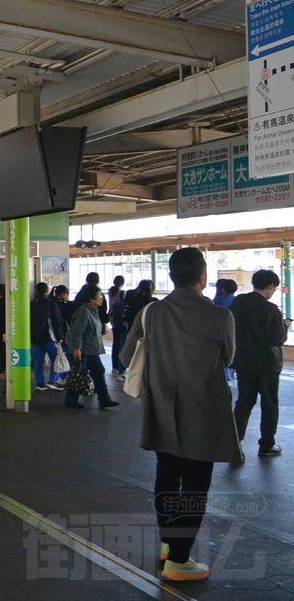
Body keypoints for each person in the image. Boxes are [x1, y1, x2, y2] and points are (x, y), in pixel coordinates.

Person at [120, 247, 240, 582]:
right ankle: (179, 560)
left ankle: (169, 544)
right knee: (196, 484)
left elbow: (127, 354)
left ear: (171, 276)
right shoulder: (220, 316)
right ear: (202, 276)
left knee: (167, 476)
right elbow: (228, 359)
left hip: (161, 407)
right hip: (203, 410)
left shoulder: (151, 312)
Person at [230, 269, 292, 458]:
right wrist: (285, 326)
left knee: (244, 402)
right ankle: (267, 444)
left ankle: (234, 442)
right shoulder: (270, 310)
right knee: (269, 403)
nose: (273, 292)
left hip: (243, 362)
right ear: (269, 286)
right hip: (267, 364)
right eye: (274, 288)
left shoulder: (238, 303)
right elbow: (277, 339)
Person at [64, 285, 119, 410]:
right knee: (80, 374)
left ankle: (104, 399)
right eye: (99, 295)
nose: (101, 297)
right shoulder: (84, 312)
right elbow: (77, 332)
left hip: (91, 350)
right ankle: (72, 400)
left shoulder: (93, 311)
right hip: (84, 350)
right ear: (90, 299)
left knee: (96, 372)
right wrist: (76, 348)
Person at [30, 282, 65, 391]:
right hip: (48, 337)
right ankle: (52, 381)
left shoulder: (32, 304)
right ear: (47, 291)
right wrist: (60, 336)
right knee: (55, 358)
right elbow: (56, 321)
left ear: (36, 291)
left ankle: (40, 383)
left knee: (38, 361)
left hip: (35, 338)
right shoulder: (51, 304)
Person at [108, 286, 128, 377]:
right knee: (122, 347)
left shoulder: (115, 305)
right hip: (123, 329)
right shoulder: (126, 306)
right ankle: (121, 369)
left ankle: (115, 367)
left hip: (115, 328)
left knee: (115, 346)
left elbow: (109, 315)